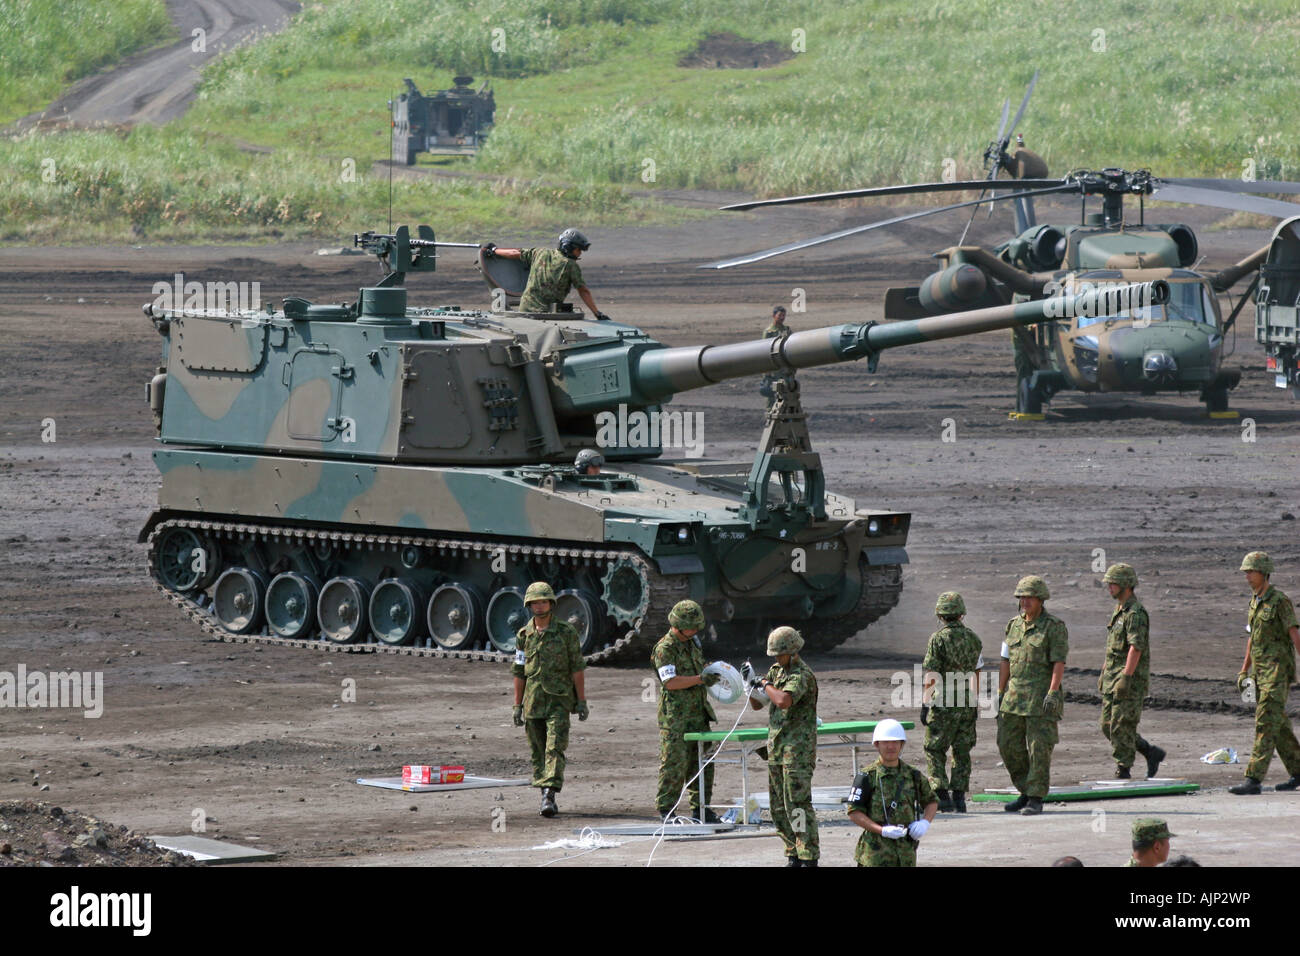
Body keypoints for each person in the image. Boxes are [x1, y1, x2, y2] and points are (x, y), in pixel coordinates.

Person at [744, 626, 819, 867]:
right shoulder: (777, 671)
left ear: (793, 652)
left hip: (797, 750)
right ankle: (792, 852)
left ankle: (807, 854)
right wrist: (750, 686)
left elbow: (783, 700)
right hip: (777, 750)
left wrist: (764, 683)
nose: (776, 659)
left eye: (780, 654)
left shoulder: (801, 674)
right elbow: (760, 705)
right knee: (778, 807)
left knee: (797, 804)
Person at [510, 581, 587, 817]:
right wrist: (517, 705)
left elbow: (577, 667)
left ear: (551, 604)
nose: (539, 606)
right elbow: (519, 671)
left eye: (543, 601)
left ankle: (549, 795)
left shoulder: (566, 632)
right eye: (535, 602)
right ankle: (543, 788)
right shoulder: (524, 635)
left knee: (555, 748)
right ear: (529, 605)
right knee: (538, 750)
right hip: (533, 702)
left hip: (559, 700)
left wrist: (581, 700)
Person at [997, 574, 1068, 816]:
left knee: (1039, 748)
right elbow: (1005, 660)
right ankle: (1025, 790)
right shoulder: (1012, 625)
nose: (1024, 602)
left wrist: (1052, 691)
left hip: (1040, 699)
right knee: (1007, 745)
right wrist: (1000, 691)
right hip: (1014, 697)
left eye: (1029, 597)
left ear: (1040, 600)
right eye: (1021, 597)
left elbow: (1059, 662)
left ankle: (1036, 797)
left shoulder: (1054, 627)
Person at [1230, 551, 1300, 795]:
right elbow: (1253, 639)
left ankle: (1253, 779)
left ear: (1263, 572)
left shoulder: (1280, 601)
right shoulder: (1254, 601)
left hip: (1277, 672)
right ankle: (1298, 771)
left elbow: (1294, 635)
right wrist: (1244, 670)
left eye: (1251, 571)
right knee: (1278, 725)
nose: (1247, 576)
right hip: (1260, 673)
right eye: (1246, 572)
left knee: (1265, 723)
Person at [651, 600, 721, 822]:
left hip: (698, 713)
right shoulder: (665, 649)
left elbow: (697, 668)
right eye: (692, 627)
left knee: (703, 763)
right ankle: (667, 810)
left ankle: (701, 808)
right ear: (678, 625)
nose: (695, 631)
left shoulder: (693, 643)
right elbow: (670, 682)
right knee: (674, 763)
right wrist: (700, 679)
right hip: (676, 718)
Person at [1098, 563, 1166, 779]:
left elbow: (1136, 647)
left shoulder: (1135, 613)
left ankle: (1123, 769)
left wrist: (1126, 677)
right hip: (1112, 677)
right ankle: (1149, 751)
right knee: (1107, 725)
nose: (1109, 587)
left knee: (1121, 725)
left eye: (1113, 583)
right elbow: (1113, 648)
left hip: (1129, 679)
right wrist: (1104, 672)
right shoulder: (1119, 611)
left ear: (1126, 585)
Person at [846, 719, 938, 867]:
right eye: (885, 742)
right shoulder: (866, 776)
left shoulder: (913, 775)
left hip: (905, 853)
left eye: (895, 742)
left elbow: (931, 801)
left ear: (902, 744)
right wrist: (881, 830)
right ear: (877, 744)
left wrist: (925, 822)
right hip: (875, 854)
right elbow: (854, 812)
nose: (891, 746)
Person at [921, 591, 982, 813]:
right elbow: (977, 671)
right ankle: (959, 797)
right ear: (962, 614)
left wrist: (925, 702)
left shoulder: (938, 639)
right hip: (966, 700)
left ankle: (941, 793)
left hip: (944, 701)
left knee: (934, 748)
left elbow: (932, 673)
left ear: (940, 614)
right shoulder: (974, 638)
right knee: (962, 749)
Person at [482, 229, 609, 317]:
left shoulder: (540, 252)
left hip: (524, 310)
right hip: (548, 315)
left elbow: (514, 253)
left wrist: (494, 250)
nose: (580, 253)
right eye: (578, 250)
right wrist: (597, 313)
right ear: (569, 247)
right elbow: (583, 291)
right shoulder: (570, 266)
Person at [760, 305, 794, 409]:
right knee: (771, 399)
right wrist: (766, 371)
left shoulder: (787, 330)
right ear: (774, 316)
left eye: (784, 315)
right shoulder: (769, 332)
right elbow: (764, 351)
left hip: (784, 370)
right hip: (773, 370)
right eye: (780, 315)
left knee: (787, 397)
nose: (782, 317)